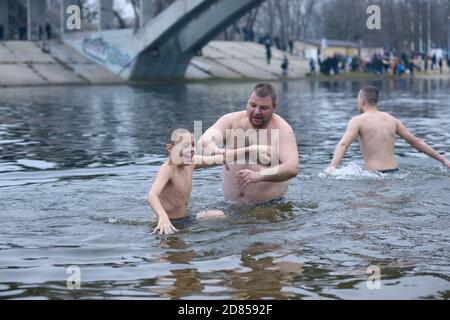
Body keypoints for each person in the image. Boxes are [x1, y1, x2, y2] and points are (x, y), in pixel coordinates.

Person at [148, 126, 272, 235]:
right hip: (167, 224)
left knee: (219, 215)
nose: (191, 149)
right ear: (170, 148)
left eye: (192, 144)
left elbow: (222, 157)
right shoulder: (167, 169)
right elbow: (152, 195)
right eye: (185, 146)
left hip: (185, 219)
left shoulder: (191, 162)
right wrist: (163, 217)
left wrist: (251, 148)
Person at [199, 83, 299, 204]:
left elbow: (292, 168)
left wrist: (258, 176)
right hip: (231, 206)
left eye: (263, 108)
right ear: (247, 102)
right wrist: (216, 150)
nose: (257, 112)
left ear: (274, 107)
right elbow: (205, 139)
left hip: (269, 206)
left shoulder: (282, 130)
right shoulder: (231, 121)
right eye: (253, 105)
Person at [326, 86, 450, 174]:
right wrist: (444, 160)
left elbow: (343, 144)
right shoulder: (392, 119)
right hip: (395, 173)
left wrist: (332, 166)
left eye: (358, 100)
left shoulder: (358, 121)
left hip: (373, 175)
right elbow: (416, 142)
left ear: (362, 101)